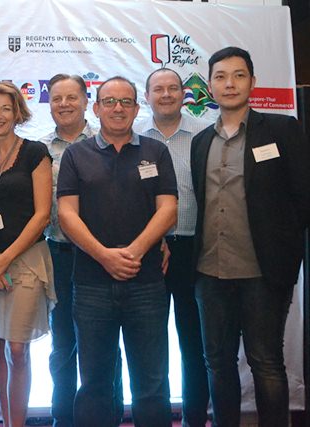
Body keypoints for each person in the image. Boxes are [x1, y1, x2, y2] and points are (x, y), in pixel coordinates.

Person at [190, 46, 310, 426]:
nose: (230, 84)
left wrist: (286, 257)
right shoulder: (200, 142)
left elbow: (302, 197)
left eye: (238, 75)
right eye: (221, 76)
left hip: (263, 273)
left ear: (253, 82)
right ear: (210, 86)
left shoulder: (281, 130)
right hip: (210, 273)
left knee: (266, 362)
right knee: (217, 363)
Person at [57, 76, 178, 426]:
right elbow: (66, 214)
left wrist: (134, 252)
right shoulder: (76, 154)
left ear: (137, 109)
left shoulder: (156, 151)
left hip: (147, 283)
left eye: (126, 102)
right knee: (95, 384)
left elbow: (168, 209)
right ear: (96, 108)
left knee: (152, 384)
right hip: (91, 285)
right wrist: (105, 256)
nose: (118, 108)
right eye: (109, 101)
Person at [0, 81, 54, 427]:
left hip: (25, 263)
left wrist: (4, 259)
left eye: (6, 108)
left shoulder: (35, 153)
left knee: (17, 349)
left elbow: (43, 215)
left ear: (18, 112)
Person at [136, 68, 211, 427]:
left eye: (172, 88)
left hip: (195, 248)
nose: (165, 95)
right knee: (150, 345)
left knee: (194, 343)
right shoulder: (134, 137)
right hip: (148, 251)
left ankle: (194, 418)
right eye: (158, 89)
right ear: (146, 96)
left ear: (184, 94)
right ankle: (156, 419)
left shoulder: (205, 135)